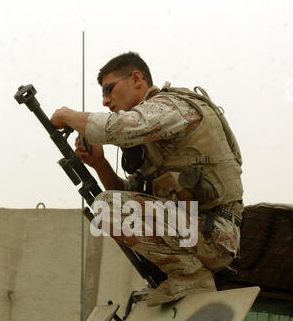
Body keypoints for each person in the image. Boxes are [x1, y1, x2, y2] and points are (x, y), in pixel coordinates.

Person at [50, 51, 243, 307]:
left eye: (110, 89)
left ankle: (191, 276)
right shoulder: (154, 139)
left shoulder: (172, 106)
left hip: (215, 234)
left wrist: (67, 115)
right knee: (108, 205)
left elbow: (121, 127)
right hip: (192, 232)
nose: (106, 101)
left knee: (107, 205)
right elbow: (130, 195)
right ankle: (185, 272)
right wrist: (99, 163)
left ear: (137, 79)